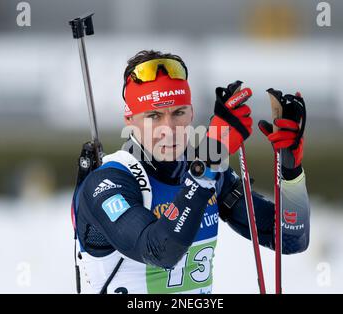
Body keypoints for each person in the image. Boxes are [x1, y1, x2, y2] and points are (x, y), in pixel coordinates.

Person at [72, 50, 310, 294]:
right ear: (130, 119)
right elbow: (160, 251)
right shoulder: (108, 181)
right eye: (153, 116)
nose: (169, 129)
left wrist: (291, 171)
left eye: (178, 113)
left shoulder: (206, 171)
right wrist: (209, 162)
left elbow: (291, 239)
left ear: (192, 112)